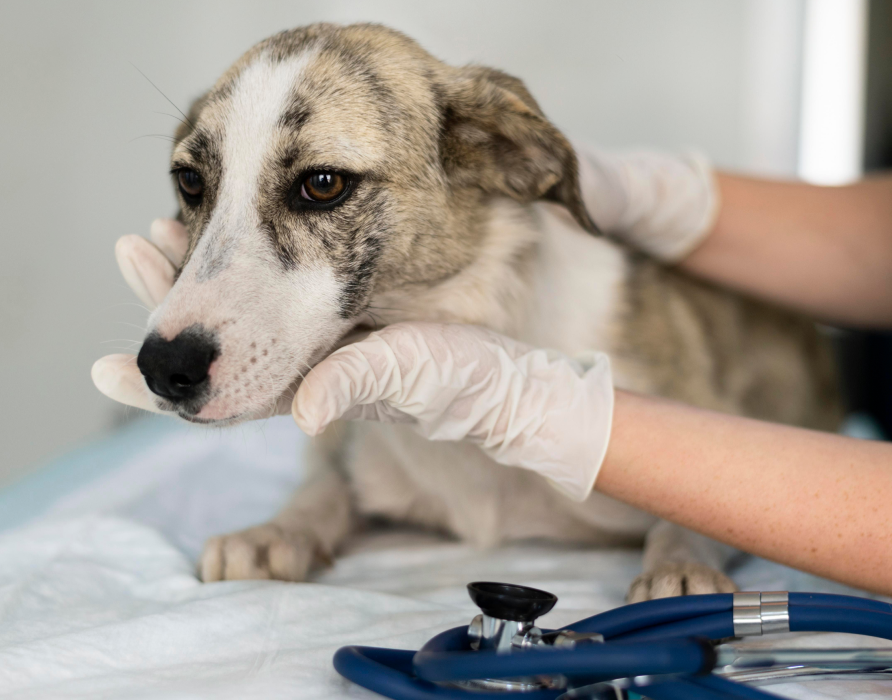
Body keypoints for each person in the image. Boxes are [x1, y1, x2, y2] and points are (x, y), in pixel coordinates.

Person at [93, 147, 892, 596]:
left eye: (322, 183)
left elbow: (717, 477)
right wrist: (673, 198)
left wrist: (680, 541)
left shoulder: (627, 326)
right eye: (195, 182)